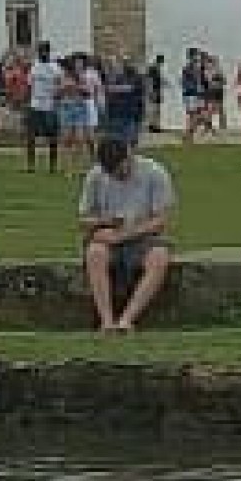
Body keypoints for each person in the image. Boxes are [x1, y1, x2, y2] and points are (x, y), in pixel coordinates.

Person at [78, 135, 175, 334]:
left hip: (143, 236)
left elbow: (160, 220)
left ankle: (127, 319)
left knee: (159, 257)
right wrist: (105, 223)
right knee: (95, 253)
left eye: (121, 170)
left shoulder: (155, 173)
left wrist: (126, 234)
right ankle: (106, 320)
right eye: (112, 173)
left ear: (129, 156)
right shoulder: (95, 176)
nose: (117, 176)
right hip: (108, 235)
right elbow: (84, 219)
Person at [25, 40, 62, 173]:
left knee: (52, 136)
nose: (41, 54)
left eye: (44, 51)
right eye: (40, 51)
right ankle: (31, 165)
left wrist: (56, 99)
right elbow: (30, 85)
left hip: (49, 105)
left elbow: (59, 84)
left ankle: (53, 165)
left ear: (48, 52)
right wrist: (28, 101)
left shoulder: (55, 67)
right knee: (31, 136)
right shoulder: (34, 67)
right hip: (35, 104)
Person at [104, 55, 145, 149]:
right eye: (125, 62)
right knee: (117, 138)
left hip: (132, 111)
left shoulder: (137, 78)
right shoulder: (117, 77)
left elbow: (135, 90)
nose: (127, 65)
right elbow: (109, 90)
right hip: (118, 111)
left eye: (129, 62)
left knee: (130, 138)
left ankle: (129, 153)